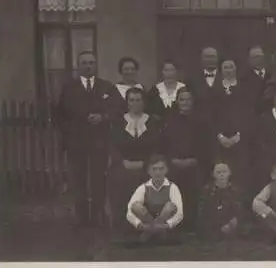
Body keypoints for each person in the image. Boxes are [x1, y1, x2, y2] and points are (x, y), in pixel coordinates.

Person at [57, 50, 116, 229]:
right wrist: (71, 133)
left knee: (99, 180)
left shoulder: (107, 87)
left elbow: (117, 109)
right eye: (84, 62)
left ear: (95, 65)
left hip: (99, 143)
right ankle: (82, 218)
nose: (88, 66)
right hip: (77, 143)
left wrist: (103, 117)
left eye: (91, 62)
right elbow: (60, 116)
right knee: (78, 181)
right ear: (78, 66)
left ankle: (97, 216)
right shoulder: (69, 88)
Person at [108, 87, 162, 240]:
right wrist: (123, 162)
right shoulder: (119, 122)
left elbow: (156, 147)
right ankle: (124, 229)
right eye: (131, 100)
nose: (135, 103)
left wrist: (145, 164)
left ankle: (148, 229)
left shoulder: (152, 122)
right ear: (127, 102)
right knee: (120, 182)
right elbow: (113, 146)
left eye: (138, 100)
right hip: (124, 165)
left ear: (143, 102)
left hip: (147, 167)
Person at [162, 87, 207, 232]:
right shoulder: (170, 121)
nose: (185, 102)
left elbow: (207, 145)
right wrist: (172, 160)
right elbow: (164, 145)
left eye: (188, 99)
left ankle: (193, 225)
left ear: (193, 101)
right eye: (182, 99)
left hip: (195, 164)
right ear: (177, 102)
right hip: (174, 164)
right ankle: (176, 224)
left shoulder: (202, 122)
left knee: (194, 191)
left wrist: (194, 160)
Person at [212, 59, 257, 193]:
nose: (228, 70)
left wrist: (238, 136)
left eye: (231, 67)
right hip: (219, 143)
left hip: (241, 142)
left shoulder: (245, 89)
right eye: (225, 67)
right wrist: (220, 136)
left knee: (241, 177)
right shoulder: (215, 89)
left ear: (236, 69)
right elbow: (210, 115)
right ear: (221, 70)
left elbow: (250, 115)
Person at [126, 154, 184, 245]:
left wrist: (167, 225)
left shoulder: (172, 187)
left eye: (161, 169)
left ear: (166, 170)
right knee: (135, 206)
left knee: (170, 206)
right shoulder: (143, 187)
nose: (158, 172)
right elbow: (129, 211)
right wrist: (140, 225)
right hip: (147, 222)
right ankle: (154, 232)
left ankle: (150, 235)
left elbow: (180, 213)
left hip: (164, 224)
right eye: (154, 169)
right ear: (149, 171)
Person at [197, 162, 244, 242]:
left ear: (230, 173)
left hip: (231, 224)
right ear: (213, 174)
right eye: (218, 172)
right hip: (212, 225)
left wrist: (232, 223)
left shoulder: (236, 190)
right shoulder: (207, 191)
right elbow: (203, 213)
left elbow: (240, 210)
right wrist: (219, 226)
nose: (222, 175)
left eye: (224, 172)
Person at [241, 46, 272, 114]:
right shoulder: (243, 79)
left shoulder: (272, 76)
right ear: (249, 60)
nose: (258, 60)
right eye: (255, 57)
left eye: (260, 57)